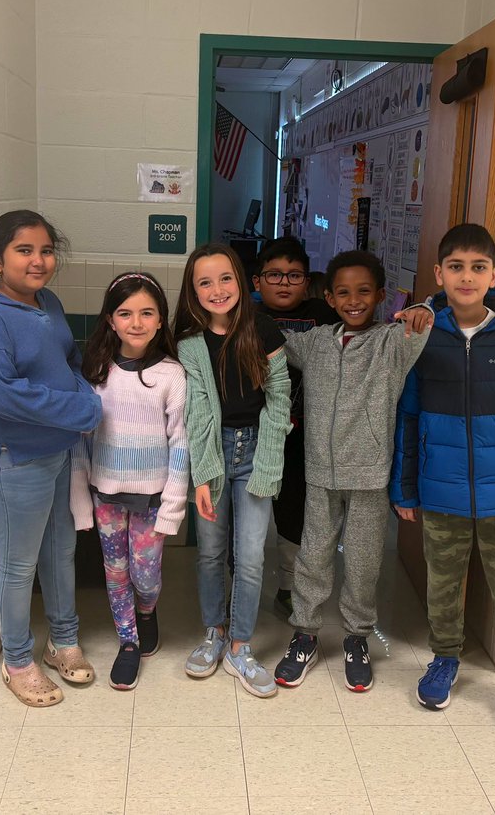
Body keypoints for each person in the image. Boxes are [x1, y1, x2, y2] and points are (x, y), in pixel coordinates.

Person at [390, 223, 495, 736]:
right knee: (443, 583)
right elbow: (407, 418)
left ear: (494, 275)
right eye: (457, 267)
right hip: (440, 489)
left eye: (478, 267)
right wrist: (404, 487)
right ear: (440, 274)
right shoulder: (423, 337)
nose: (467, 277)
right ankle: (445, 658)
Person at [0, 210, 101, 708]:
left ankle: (63, 641)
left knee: (60, 552)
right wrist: (79, 409)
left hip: (56, 451)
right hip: (12, 458)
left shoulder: (47, 303)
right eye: (24, 251)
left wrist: (81, 398)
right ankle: (17, 661)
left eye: (45, 250)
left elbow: (69, 363)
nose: (38, 261)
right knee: (18, 565)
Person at [271, 250, 431, 693]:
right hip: (320, 472)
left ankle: (356, 638)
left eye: (364, 291)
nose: (354, 300)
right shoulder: (317, 341)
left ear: (381, 295)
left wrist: (423, 306)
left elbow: (436, 315)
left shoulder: (394, 343)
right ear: (328, 296)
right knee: (313, 556)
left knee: (362, 563)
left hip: (369, 476)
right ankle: (304, 633)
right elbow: (269, 337)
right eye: (343, 292)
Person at [173, 242, 291, 698]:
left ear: (241, 281)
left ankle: (241, 646)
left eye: (225, 278)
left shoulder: (263, 329)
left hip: (257, 449)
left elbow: (279, 398)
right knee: (209, 551)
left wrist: (267, 463)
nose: (217, 289)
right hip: (213, 452)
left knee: (251, 555)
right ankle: (214, 633)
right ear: (193, 290)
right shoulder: (188, 342)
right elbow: (198, 412)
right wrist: (202, 476)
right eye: (205, 282)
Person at [70, 272, 188, 691]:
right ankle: (129, 643)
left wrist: (173, 507)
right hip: (105, 495)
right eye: (125, 313)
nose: (135, 322)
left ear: (160, 320)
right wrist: (81, 504)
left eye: (146, 313)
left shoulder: (173, 375)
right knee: (115, 571)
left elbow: (181, 445)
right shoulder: (94, 372)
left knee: (146, 575)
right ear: (110, 320)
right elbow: (79, 444)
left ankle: (147, 611)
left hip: (152, 499)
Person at [251, 238, 339, 617]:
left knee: (295, 518)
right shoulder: (242, 315)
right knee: (247, 518)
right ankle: (241, 591)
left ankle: (289, 586)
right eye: (274, 275)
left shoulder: (323, 315)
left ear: (307, 281)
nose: (284, 283)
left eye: (294, 275)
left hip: (305, 438)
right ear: (257, 281)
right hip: (253, 436)